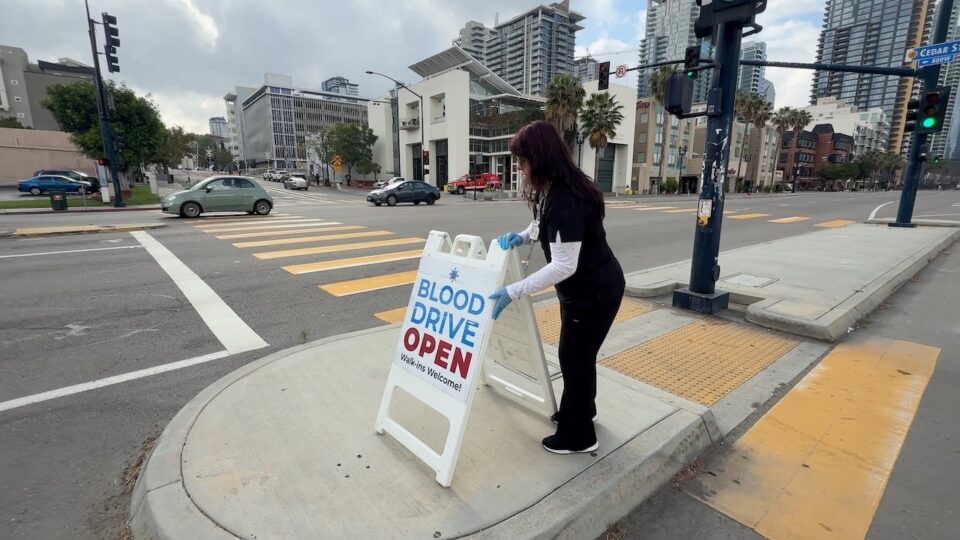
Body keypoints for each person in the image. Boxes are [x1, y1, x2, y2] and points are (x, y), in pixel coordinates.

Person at [488, 120, 625, 455]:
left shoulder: (566, 199)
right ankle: (581, 413)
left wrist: (514, 290)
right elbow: (542, 222)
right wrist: (521, 237)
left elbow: (565, 264)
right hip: (586, 290)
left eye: (522, 161)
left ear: (540, 157)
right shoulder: (557, 188)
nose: (520, 169)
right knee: (580, 357)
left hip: (592, 292)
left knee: (574, 359)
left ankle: (579, 436)